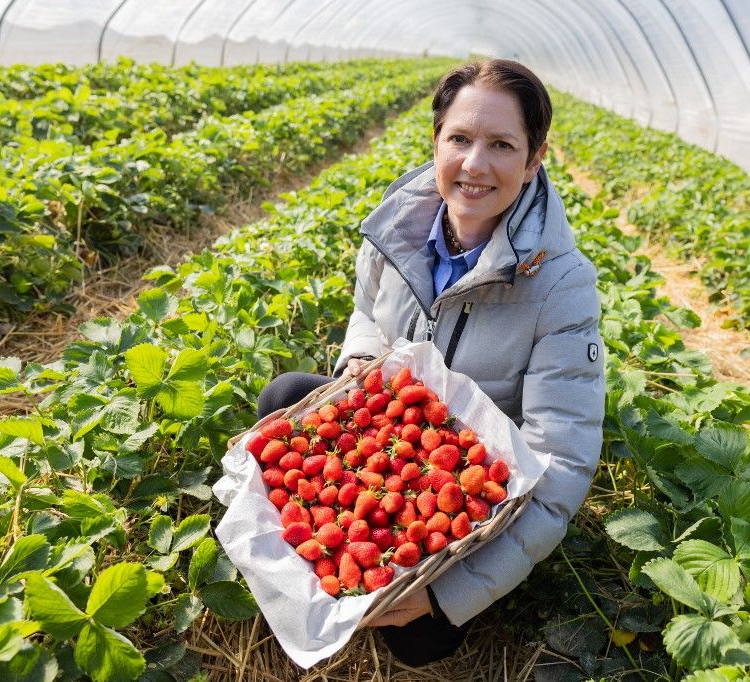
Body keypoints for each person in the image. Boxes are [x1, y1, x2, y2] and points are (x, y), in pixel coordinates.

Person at [256, 58, 605, 667]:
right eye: (460, 139)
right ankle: (307, 573)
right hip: (393, 445)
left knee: (417, 638)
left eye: (502, 145)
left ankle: (434, 604)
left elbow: (561, 462)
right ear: (436, 141)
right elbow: (367, 309)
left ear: (534, 159)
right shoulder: (401, 226)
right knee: (284, 399)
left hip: (475, 486)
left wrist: (445, 595)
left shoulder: (562, 285)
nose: (474, 165)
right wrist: (361, 366)